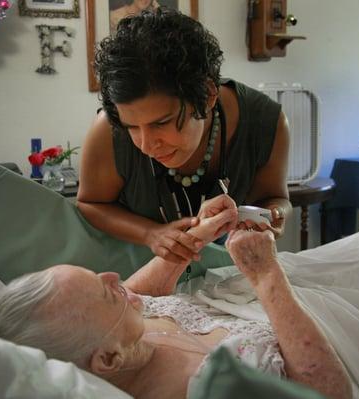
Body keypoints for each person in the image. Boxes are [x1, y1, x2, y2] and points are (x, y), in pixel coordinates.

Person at [0, 195, 351, 399]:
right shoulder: (206, 390)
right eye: (107, 292)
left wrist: (199, 234)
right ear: (109, 359)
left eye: (96, 275)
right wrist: (266, 274)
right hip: (346, 337)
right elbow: (329, 394)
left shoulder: (115, 331)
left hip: (315, 289)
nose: (115, 278)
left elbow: (139, 290)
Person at [77, 8, 292, 265]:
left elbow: (277, 199)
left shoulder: (267, 123)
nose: (147, 145)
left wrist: (274, 215)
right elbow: (90, 203)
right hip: (132, 277)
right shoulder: (107, 130)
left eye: (162, 122)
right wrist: (150, 234)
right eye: (131, 127)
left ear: (208, 95)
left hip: (224, 279)